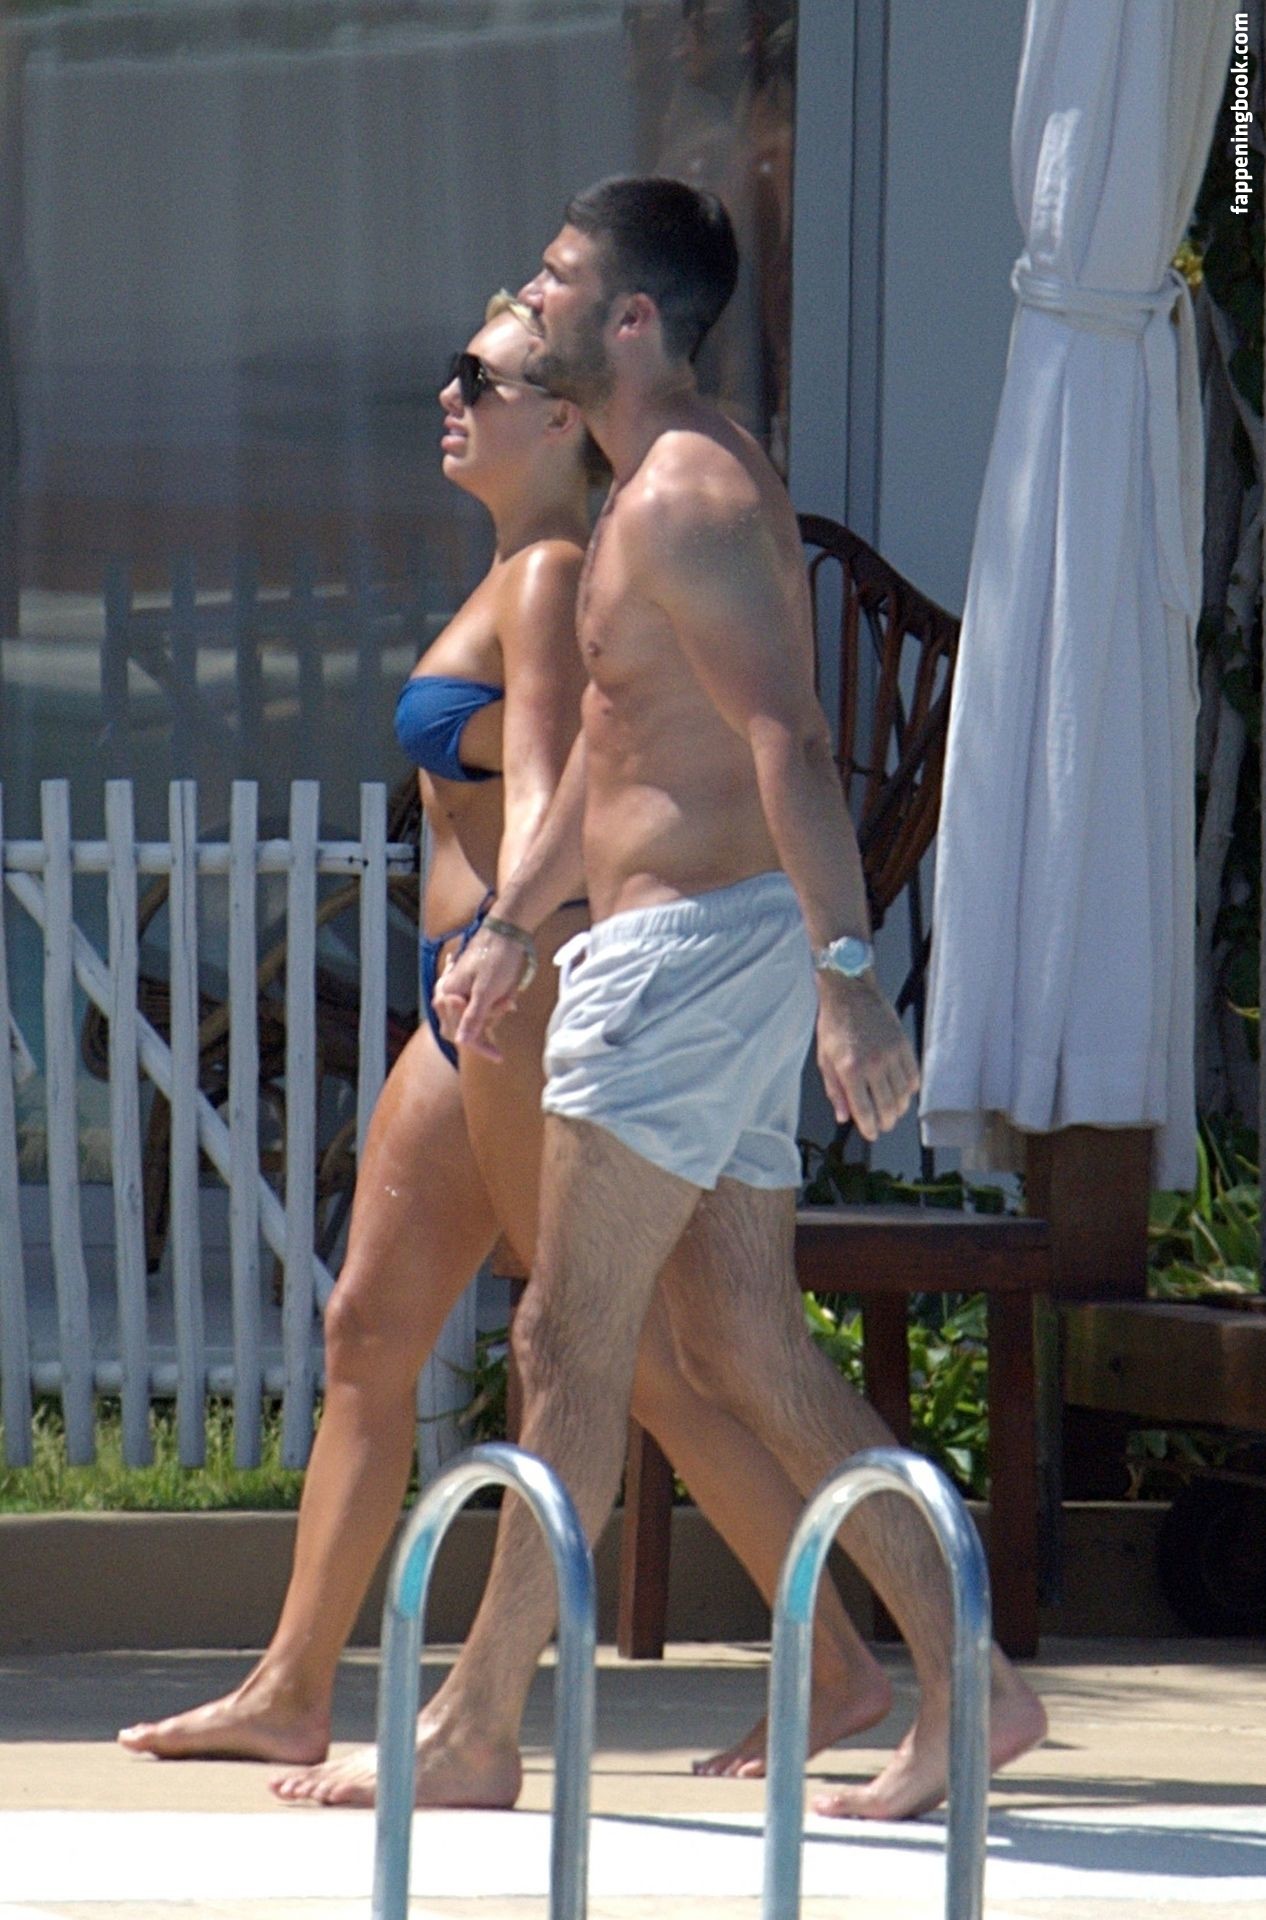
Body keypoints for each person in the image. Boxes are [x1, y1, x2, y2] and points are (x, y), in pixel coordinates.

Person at [273, 178, 1047, 1821]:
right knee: (739, 1339)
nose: (529, 298)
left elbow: (790, 743)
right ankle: (970, 1680)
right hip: (686, 950)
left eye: (556, 280)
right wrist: (510, 924)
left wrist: (849, 982)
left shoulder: (684, 492)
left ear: (630, 320)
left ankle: (477, 1726)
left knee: (566, 1336)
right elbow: (610, 764)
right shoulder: (645, 493)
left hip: (688, 961)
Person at [117, 291, 893, 1779]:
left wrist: (510, 940)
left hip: (511, 992)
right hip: (466, 990)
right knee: (368, 1329)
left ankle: (838, 1662)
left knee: (625, 1355)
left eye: (480, 375)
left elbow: (553, 791)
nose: (452, 396)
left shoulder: (550, 579)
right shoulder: (520, 568)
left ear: (557, 418)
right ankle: (289, 1681)